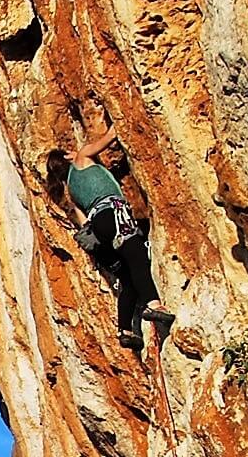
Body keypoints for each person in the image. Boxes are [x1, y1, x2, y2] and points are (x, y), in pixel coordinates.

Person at [46, 124, 173, 350]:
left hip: (99, 226)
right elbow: (109, 137)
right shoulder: (82, 157)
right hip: (113, 212)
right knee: (137, 257)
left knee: (126, 277)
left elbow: (84, 224)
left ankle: (125, 330)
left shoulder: (72, 191)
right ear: (67, 156)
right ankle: (154, 305)